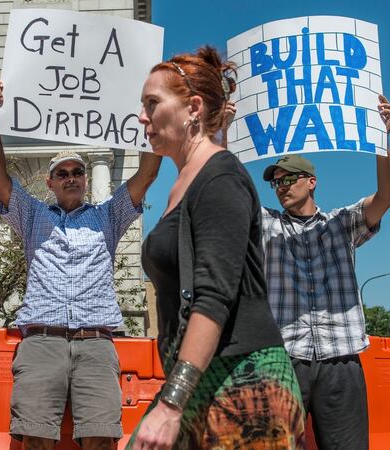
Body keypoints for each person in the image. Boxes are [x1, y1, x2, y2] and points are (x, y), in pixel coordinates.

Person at [130, 47, 304, 450]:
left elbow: (213, 297)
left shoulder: (220, 178)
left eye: (152, 104)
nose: (142, 117)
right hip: (199, 381)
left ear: (193, 107)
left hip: (246, 388)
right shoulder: (183, 183)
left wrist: (170, 406)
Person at [0, 80, 162, 450]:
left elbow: (147, 175)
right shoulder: (31, 215)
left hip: (95, 342)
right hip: (41, 341)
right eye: (62, 174)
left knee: (101, 439)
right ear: (50, 182)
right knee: (35, 439)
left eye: (77, 172)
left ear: (84, 180)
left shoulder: (107, 216)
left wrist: (150, 125)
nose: (71, 178)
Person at [251, 95, 390, 449]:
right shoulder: (267, 224)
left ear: (311, 181)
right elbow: (225, 197)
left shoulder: (342, 223)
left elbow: (387, 196)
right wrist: (222, 132)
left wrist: (382, 138)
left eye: (289, 179)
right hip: (285, 360)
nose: (281, 187)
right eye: (276, 183)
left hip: (340, 360)